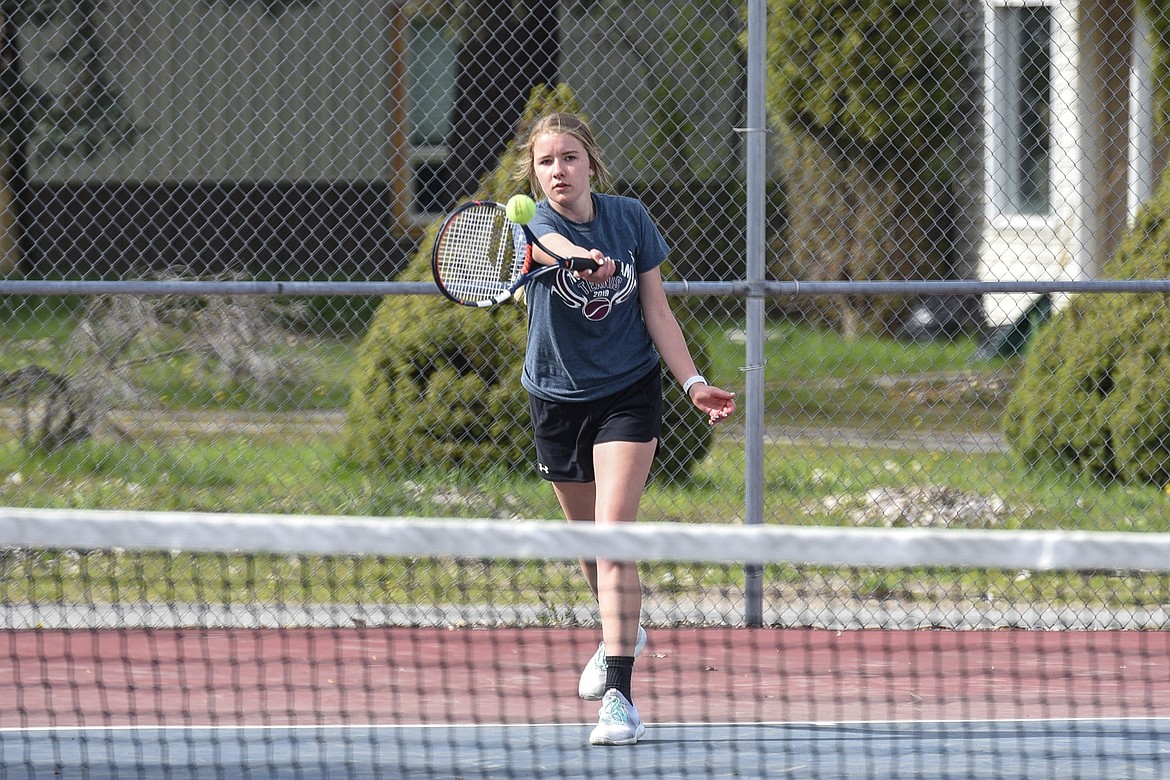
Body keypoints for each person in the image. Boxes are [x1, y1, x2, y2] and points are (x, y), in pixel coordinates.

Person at [515, 112, 737, 746]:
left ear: (592, 164)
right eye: (545, 162)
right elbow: (552, 247)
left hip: (627, 393)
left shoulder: (630, 218)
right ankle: (623, 625)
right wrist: (579, 258)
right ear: (533, 174)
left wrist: (692, 382)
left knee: (614, 541)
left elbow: (656, 307)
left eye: (569, 159)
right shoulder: (528, 226)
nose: (558, 171)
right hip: (555, 398)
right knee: (587, 548)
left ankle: (620, 695)